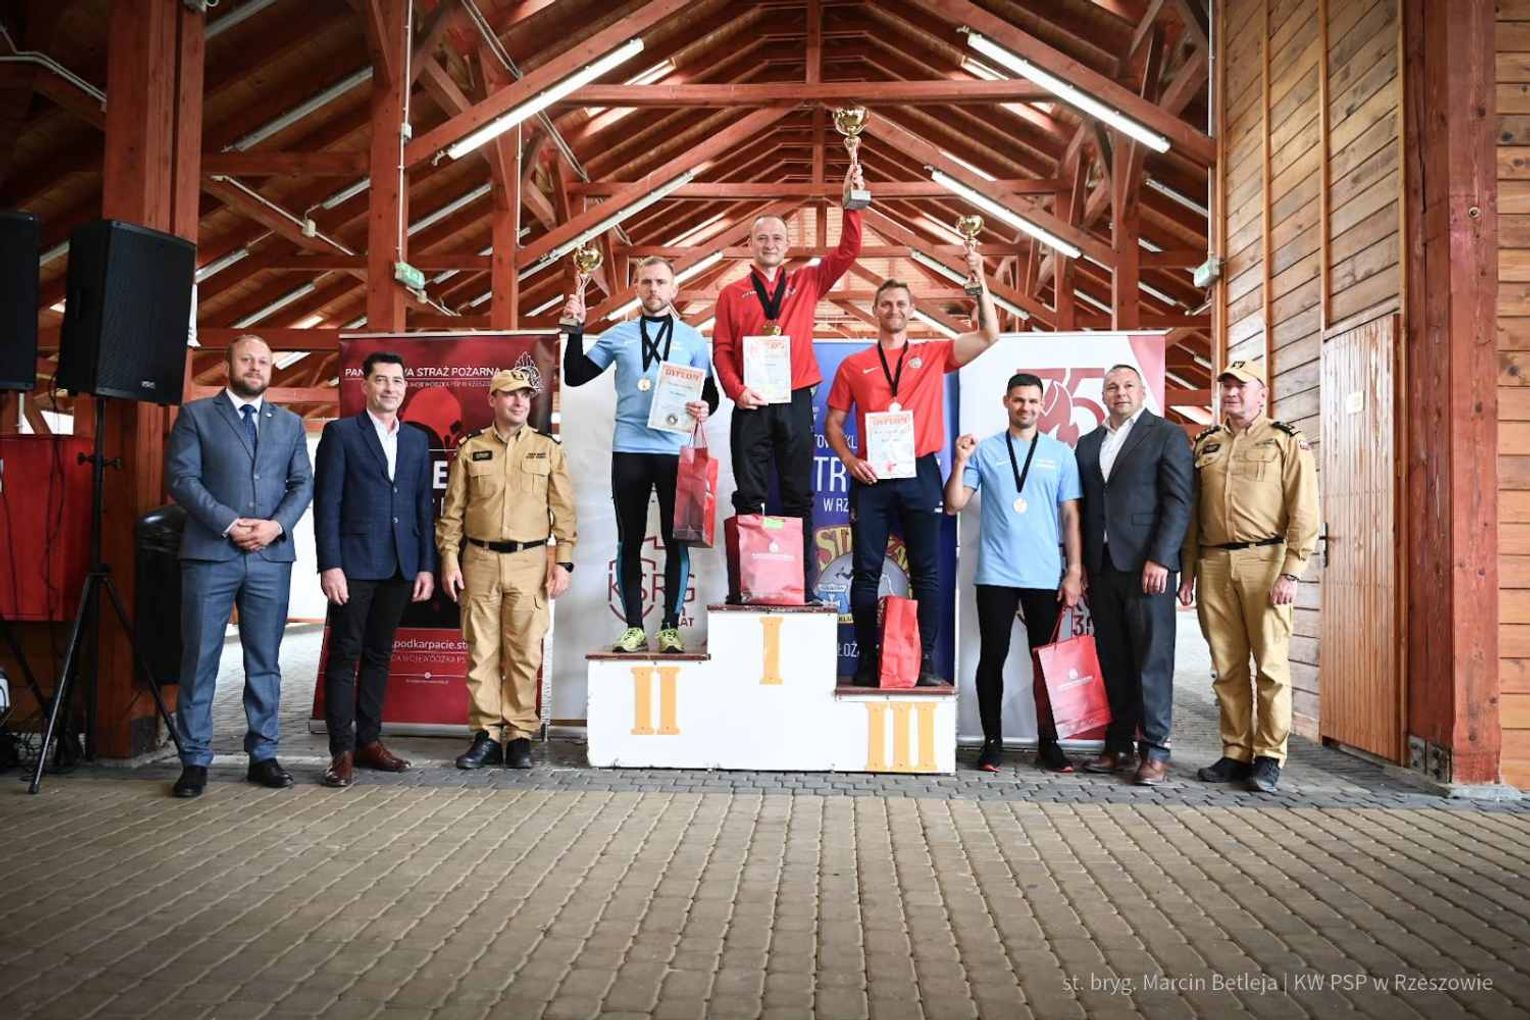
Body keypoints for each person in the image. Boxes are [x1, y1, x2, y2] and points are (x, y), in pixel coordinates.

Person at [825, 251, 999, 687]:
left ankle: (924, 664)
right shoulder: (853, 365)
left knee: (926, 571)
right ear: (875, 310)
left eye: (901, 304)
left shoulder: (933, 353)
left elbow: (989, 335)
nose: (894, 310)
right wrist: (849, 460)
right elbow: (832, 423)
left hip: (920, 472)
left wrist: (979, 281)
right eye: (886, 304)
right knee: (866, 571)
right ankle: (868, 663)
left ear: (912, 310)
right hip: (872, 478)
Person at [165, 334, 314, 798]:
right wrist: (229, 524)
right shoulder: (196, 416)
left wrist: (275, 526)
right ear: (228, 366)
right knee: (200, 658)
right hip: (211, 554)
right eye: (246, 359)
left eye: (263, 361)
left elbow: (302, 484)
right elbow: (182, 480)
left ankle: (263, 754)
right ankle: (194, 759)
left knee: (265, 660)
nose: (255, 367)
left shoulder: (289, 424)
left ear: (272, 369)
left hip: (271, 556)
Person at [712, 166, 864, 596]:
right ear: (751, 244)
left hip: (795, 399)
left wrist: (851, 205)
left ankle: (802, 586)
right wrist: (736, 391)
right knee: (749, 494)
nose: (770, 244)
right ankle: (746, 586)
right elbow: (722, 350)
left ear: (787, 245)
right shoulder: (731, 294)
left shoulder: (807, 281)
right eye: (762, 238)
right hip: (752, 402)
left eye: (777, 238)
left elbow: (848, 252)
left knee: (798, 495)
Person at [562, 256, 719, 653]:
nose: (653, 289)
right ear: (636, 288)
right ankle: (634, 627)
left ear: (674, 289)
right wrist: (575, 330)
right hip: (629, 449)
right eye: (646, 281)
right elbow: (575, 375)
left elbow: (711, 395)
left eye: (661, 282)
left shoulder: (692, 339)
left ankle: (669, 628)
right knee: (628, 540)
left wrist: (705, 407)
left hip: (674, 452)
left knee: (676, 540)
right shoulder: (619, 335)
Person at [1179, 359, 1319, 794]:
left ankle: (1269, 756)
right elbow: (1192, 515)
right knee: (1226, 666)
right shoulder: (1206, 444)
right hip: (1214, 563)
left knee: (1271, 665)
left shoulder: (1285, 440)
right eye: (1226, 386)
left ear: (1262, 393)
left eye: (1241, 386)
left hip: (1266, 562)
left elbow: (1304, 510)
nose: (1232, 393)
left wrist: (1292, 571)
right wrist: (1188, 572)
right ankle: (1236, 751)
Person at [436, 368, 577, 770]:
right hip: (479, 561)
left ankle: (518, 736)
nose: (519, 402)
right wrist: (449, 559)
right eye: (511, 394)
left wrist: (563, 561)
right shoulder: (471, 448)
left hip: (530, 562)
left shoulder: (547, 448)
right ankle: (485, 735)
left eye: (526, 396)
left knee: (525, 653)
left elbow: (564, 511)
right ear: (492, 400)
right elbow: (452, 512)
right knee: (481, 652)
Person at [944, 373, 1083, 773]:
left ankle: (1049, 744)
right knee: (992, 657)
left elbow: (1071, 516)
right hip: (996, 573)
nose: (1026, 407)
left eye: (1033, 401)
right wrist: (960, 461)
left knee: (1047, 664)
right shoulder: (986, 450)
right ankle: (992, 743)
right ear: (1006, 401)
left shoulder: (1060, 454)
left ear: (1043, 405)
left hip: (1044, 575)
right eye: (1019, 400)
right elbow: (954, 504)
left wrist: (1074, 571)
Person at [311, 351, 436, 788]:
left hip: (402, 564)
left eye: (397, 381)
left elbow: (422, 506)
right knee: (345, 654)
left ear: (405, 388)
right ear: (364, 385)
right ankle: (341, 751)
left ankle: (368, 741)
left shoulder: (416, 440)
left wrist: (426, 565)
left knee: (380, 655)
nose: (389, 388)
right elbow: (327, 505)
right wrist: (330, 565)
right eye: (381, 380)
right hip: (354, 564)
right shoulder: (341, 434)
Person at [1074, 364, 1192, 786]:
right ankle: (1120, 745)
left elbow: (1178, 502)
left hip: (1148, 567)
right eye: (1112, 387)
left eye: (1127, 385)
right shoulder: (1088, 443)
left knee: (1153, 660)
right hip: (1102, 567)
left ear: (1143, 391)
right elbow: (1084, 507)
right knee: (1114, 660)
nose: (1120, 392)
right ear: (1103, 396)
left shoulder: (1167, 435)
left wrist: (1162, 558)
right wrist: (1081, 564)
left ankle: (1156, 750)